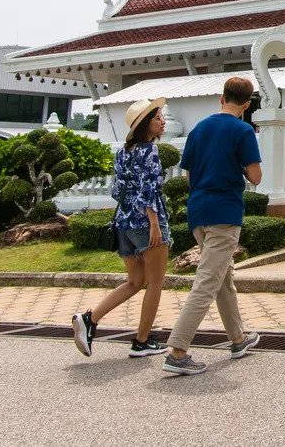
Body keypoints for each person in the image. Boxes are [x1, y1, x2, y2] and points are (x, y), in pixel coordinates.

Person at [162, 77, 263, 376]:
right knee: (207, 281)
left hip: (199, 211)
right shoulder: (243, 130)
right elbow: (256, 177)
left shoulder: (199, 129)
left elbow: (190, 176)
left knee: (222, 277)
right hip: (225, 212)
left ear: (221, 98)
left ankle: (238, 338)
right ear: (246, 105)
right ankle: (178, 350)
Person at [72, 97, 172, 359]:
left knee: (135, 281)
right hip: (146, 222)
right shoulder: (149, 151)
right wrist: (154, 224)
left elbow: (118, 190)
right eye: (157, 117)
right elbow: (150, 189)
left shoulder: (122, 152)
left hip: (123, 223)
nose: (162, 121)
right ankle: (142, 341)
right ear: (144, 126)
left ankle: (89, 319)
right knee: (155, 283)